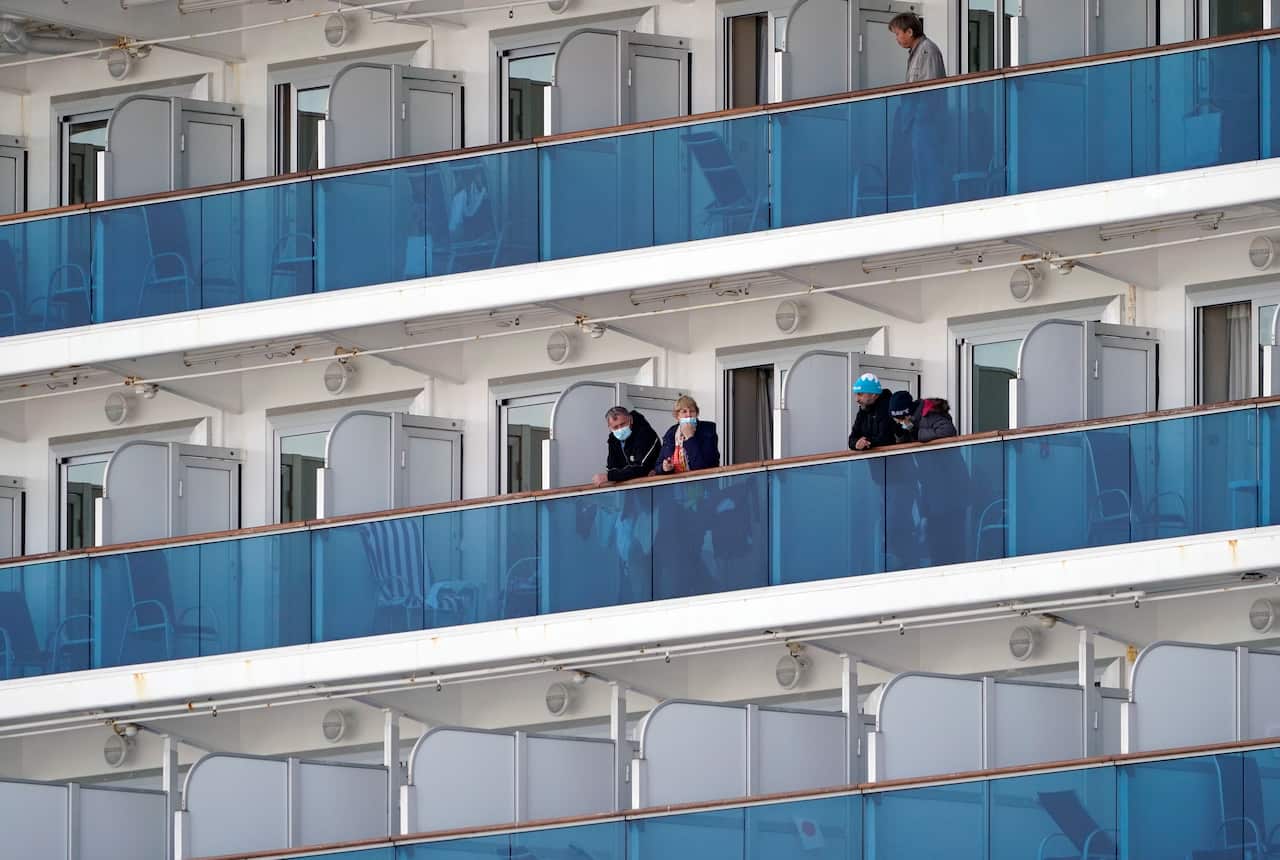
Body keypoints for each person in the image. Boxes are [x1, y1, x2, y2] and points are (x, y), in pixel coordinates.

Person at [593, 406, 661, 488]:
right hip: (628, 489)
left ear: (630, 420)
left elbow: (641, 468)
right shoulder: (613, 439)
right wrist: (614, 475)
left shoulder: (645, 434)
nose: (620, 429)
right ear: (610, 428)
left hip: (654, 486)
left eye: (622, 424)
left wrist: (610, 476)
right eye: (615, 427)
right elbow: (612, 467)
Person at [658, 395, 720, 474]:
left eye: (692, 411)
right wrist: (664, 467)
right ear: (677, 416)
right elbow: (658, 466)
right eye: (684, 411)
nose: (689, 415)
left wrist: (690, 438)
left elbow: (704, 467)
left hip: (702, 483)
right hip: (676, 483)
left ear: (697, 414)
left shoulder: (708, 430)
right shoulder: (671, 433)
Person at [888, 12, 945, 84]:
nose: (896, 38)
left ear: (909, 32)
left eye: (897, 34)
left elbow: (931, 88)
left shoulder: (926, 50)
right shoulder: (918, 50)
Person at [890, 391, 958, 444]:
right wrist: (900, 435)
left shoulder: (931, 413)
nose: (899, 422)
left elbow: (948, 432)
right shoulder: (911, 421)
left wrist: (916, 432)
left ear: (908, 414)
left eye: (900, 419)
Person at [849, 373, 896, 451]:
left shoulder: (888, 408)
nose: (856, 399)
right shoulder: (863, 411)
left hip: (889, 459)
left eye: (860, 394)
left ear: (873, 395)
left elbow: (885, 438)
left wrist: (865, 442)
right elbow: (852, 439)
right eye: (856, 395)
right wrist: (856, 444)